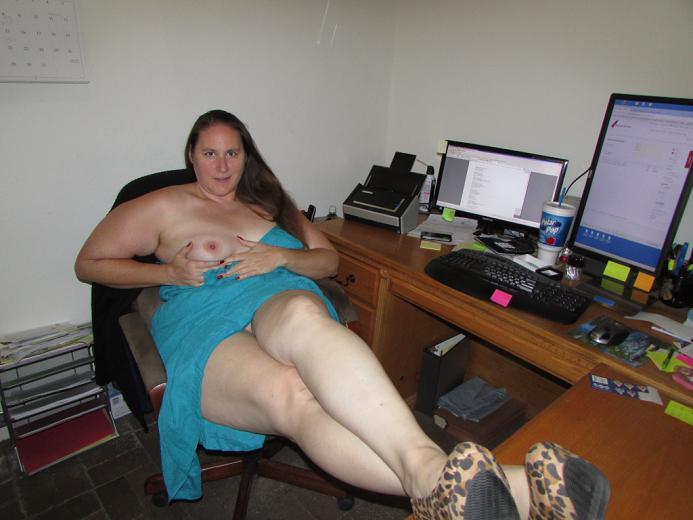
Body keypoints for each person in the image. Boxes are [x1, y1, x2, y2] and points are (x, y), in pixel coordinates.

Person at [75, 109, 610, 519]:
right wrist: (171, 273)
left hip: (276, 295)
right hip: (205, 314)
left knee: (306, 317)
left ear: (246, 156)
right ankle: (510, 489)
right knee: (293, 395)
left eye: (232, 153)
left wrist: (280, 257)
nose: (221, 166)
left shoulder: (267, 200)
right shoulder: (162, 204)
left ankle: (435, 481)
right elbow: (90, 264)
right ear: (191, 155)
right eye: (210, 153)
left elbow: (327, 260)